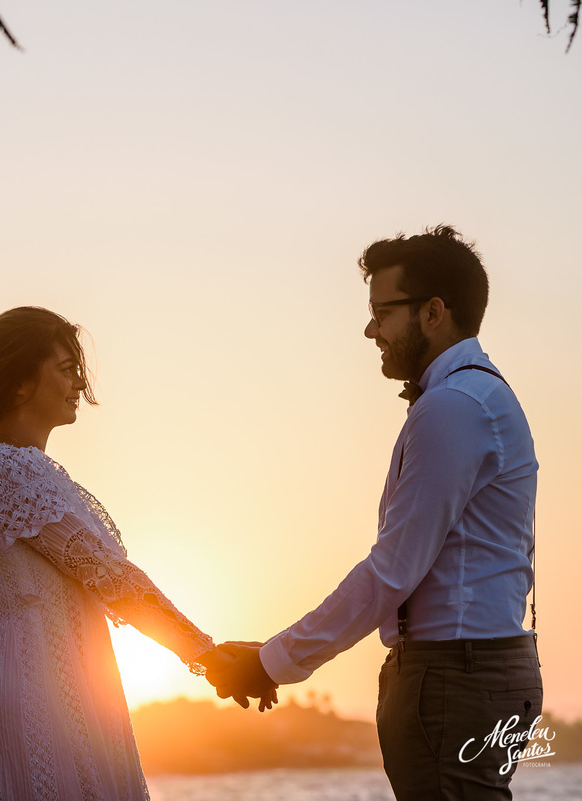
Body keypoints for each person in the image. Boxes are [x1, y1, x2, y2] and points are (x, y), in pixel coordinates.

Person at [208, 226, 541, 800]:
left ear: (434, 312)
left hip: (452, 678)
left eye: (382, 312)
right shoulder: (477, 397)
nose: (371, 330)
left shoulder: (453, 408)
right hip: (476, 668)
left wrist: (274, 661)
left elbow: (393, 570)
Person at [0, 306, 256, 801]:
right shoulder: (11, 471)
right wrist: (207, 654)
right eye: (65, 369)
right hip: (35, 705)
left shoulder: (12, 468)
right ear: (18, 386)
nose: (78, 382)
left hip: (45, 692)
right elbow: (113, 580)